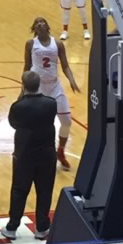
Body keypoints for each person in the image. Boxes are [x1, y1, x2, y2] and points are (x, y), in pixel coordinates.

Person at [3, 69, 59, 241]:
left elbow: (13, 123)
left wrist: (22, 96)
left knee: (19, 191)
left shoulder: (18, 106)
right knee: (44, 191)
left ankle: (12, 226)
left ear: (23, 86)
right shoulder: (51, 103)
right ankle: (42, 227)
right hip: (47, 156)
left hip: (25, 156)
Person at [26, 16, 80, 170]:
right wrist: (24, 88)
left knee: (67, 122)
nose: (40, 24)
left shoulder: (57, 44)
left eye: (42, 21)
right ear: (34, 29)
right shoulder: (30, 44)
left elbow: (65, 66)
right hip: (38, 88)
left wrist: (72, 80)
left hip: (55, 86)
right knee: (38, 125)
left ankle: (61, 151)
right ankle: (35, 153)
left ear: (47, 25)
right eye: (36, 23)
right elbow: (27, 67)